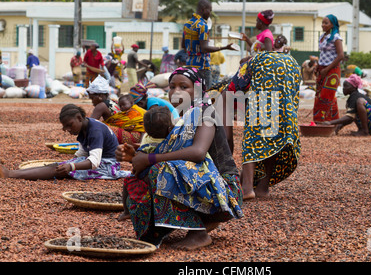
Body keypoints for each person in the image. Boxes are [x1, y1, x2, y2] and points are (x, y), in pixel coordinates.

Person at [115, 67, 243, 250]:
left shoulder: (206, 113)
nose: (176, 92)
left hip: (224, 190)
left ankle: (198, 233)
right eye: (172, 87)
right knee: (148, 170)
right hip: (203, 183)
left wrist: (150, 158)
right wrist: (134, 156)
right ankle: (170, 226)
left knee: (160, 169)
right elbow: (168, 149)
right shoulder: (183, 117)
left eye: (184, 87)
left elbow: (198, 152)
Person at [0, 104, 131, 181]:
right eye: (65, 127)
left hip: (108, 166)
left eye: (70, 125)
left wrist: (71, 166)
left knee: (60, 170)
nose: (68, 130)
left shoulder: (95, 129)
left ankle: (11, 174)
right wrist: (68, 163)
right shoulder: (85, 128)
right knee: (57, 166)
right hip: (101, 163)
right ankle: (13, 173)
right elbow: (82, 153)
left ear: (79, 118)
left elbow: (94, 162)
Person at [238, 51, 302, 200]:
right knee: (273, 140)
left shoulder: (251, 63)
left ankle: (247, 188)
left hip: (263, 97)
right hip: (286, 103)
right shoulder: (289, 61)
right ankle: (263, 187)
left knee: (251, 140)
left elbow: (239, 85)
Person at [118, 105, 174, 222]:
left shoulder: (147, 139)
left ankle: (126, 211)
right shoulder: (172, 140)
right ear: (170, 129)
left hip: (142, 174)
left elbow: (139, 156)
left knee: (127, 184)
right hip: (159, 175)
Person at [182, 0, 234, 90]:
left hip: (190, 65)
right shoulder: (202, 25)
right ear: (204, 9)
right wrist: (224, 47)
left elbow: (183, 45)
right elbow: (204, 48)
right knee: (206, 94)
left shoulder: (187, 24)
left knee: (195, 94)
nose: (210, 13)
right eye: (210, 10)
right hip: (202, 66)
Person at [313, 14, 344, 123]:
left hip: (332, 70)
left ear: (332, 25)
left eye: (326, 23)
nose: (323, 25)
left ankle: (321, 120)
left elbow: (341, 55)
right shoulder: (322, 37)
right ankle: (334, 121)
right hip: (322, 68)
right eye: (322, 23)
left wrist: (327, 69)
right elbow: (322, 53)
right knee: (322, 94)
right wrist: (318, 66)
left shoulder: (336, 37)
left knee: (326, 95)